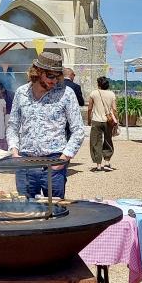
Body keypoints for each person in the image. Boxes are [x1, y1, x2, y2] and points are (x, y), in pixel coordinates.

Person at [7, 52, 85, 199]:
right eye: (50, 76)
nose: (55, 80)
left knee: (55, 213)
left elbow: (78, 130)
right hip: (25, 162)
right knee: (25, 213)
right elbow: (13, 125)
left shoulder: (66, 94)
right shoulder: (21, 93)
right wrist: (14, 151)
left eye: (58, 76)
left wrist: (63, 159)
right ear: (38, 72)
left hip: (54, 163)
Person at [87, 76, 118, 172]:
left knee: (96, 142)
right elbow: (114, 109)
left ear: (98, 84)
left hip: (96, 120)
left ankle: (98, 165)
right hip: (108, 121)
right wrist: (116, 120)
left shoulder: (94, 93)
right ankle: (107, 162)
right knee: (108, 141)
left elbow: (89, 108)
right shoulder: (112, 94)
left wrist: (89, 119)